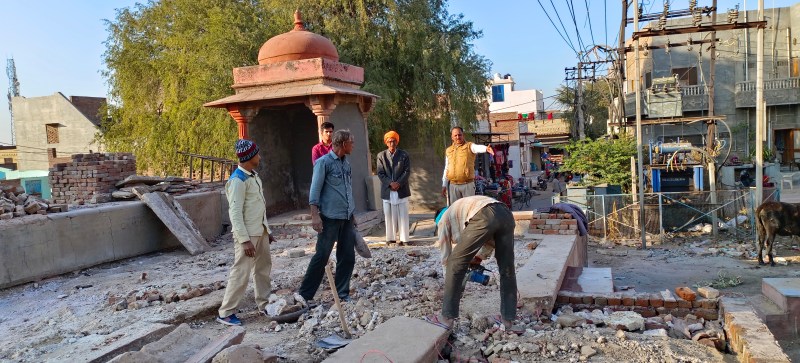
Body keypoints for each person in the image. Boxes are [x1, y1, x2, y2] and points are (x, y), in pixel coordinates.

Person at [425, 195, 519, 332]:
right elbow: (489, 238)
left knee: (455, 262)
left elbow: (446, 257)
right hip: (505, 214)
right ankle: (508, 320)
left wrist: (451, 280)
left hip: (485, 213)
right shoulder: (461, 211)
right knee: (507, 269)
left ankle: (446, 318)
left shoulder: (443, 219)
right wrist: (478, 257)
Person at [217, 139, 275, 326]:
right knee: (241, 272)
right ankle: (226, 312)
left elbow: (257, 206)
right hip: (248, 235)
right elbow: (235, 212)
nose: (260, 156)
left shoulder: (253, 176)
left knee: (263, 269)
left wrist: (268, 230)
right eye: (257, 154)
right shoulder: (237, 181)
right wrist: (244, 240)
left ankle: (264, 303)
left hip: (261, 231)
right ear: (249, 157)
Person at [299, 130, 357, 303]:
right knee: (322, 255)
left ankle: (342, 294)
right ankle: (304, 295)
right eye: (351, 142)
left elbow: (347, 190)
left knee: (347, 256)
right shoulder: (323, 163)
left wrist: (352, 214)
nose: (353, 145)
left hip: (346, 217)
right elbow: (315, 190)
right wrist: (314, 216)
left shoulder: (347, 164)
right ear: (343, 143)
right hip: (329, 217)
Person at [441, 126, 495, 204]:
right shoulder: (449, 150)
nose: (458, 137)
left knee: (468, 210)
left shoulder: (469, 146)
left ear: (463, 135)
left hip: (467, 185)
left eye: (460, 135)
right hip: (453, 186)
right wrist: (444, 184)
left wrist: (486, 148)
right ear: (452, 137)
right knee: (454, 211)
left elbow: (476, 148)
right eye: (455, 135)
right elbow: (447, 168)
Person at [376, 131, 411, 246]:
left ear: (397, 142)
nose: (392, 143)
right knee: (388, 214)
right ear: (386, 142)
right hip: (388, 189)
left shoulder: (404, 155)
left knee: (403, 215)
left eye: (394, 141)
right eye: (389, 141)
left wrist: (398, 183)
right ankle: (390, 238)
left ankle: (404, 239)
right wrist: (391, 183)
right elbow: (380, 173)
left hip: (401, 189)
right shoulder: (381, 156)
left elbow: (407, 171)